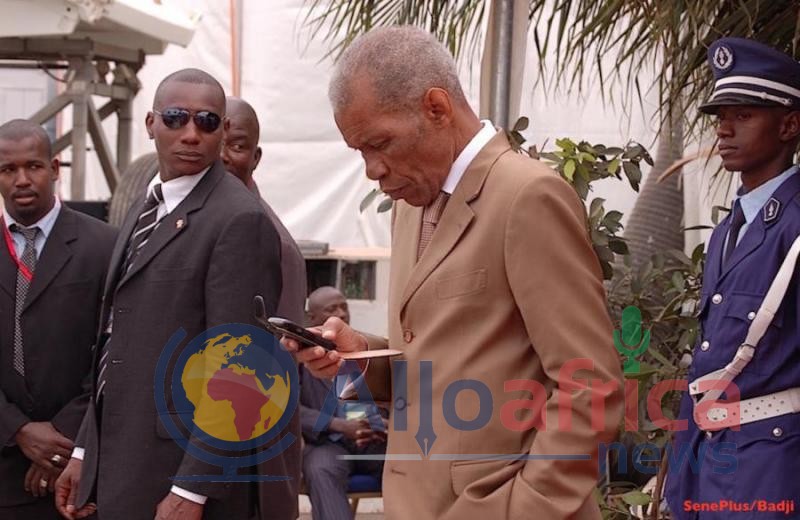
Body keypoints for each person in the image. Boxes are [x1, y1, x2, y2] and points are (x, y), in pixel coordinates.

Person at [288, 26, 624, 519]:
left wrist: (523, 508)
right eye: (360, 151)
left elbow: (589, 386)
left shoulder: (527, 196)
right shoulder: (410, 206)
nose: (372, 170)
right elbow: (437, 360)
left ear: (437, 108)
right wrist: (359, 356)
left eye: (380, 143)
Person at [54, 68, 287, 520]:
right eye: (176, 118)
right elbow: (116, 343)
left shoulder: (239, 220)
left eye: (207, 122)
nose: (191, 134)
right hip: (121, 463)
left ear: (222, 131)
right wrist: (84, 450)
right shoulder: (149, 204)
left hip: (177, 478)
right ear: (151, 123)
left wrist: (192, 489)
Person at [665, 38, 800, 519]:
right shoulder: (729, 229)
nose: (724, 128)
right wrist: (679, 479)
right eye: (721, 116)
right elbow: (710, 356)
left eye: (744, 115)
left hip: (774, 467)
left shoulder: (794, 225)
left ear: (789, 125)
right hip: (709, 459)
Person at [0, 119, 115, 519]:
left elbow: (116, 352)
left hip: (81, 467)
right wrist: (19, 431)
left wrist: (60, 441)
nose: (22, 180)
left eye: (33, 166)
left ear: (54, 168)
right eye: (8, 169)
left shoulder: (105, 246)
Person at [221, 95, 304, 520]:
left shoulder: (262, 235)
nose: (222, 156)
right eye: (215, 139)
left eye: (236, 146)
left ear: (255, 157)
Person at [300, 286, 386, 520]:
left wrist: (387, 423)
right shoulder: (299, 358)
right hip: (327, 443)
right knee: (320, 470)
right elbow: (289, 410)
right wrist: (338, 424)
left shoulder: (366, 349)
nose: (341, 313)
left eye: (344, 307)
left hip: (374, 441)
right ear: (312, 318)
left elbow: (395, 396)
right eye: (332, 309)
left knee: (412, 463)